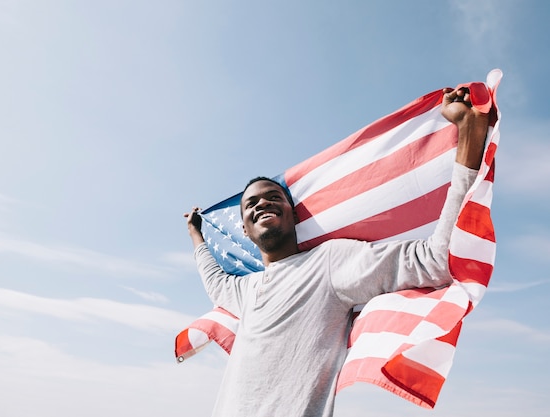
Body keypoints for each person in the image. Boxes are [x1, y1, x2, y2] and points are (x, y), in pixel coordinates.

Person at [184, 86, 489, 417]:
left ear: (293, 213)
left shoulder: (329, 262)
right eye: (251, 204)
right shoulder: (246, 291)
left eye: (274, 197)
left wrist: (469, 142)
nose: (262, 203)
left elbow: (435, 261)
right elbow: (214, 280)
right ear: (244, 227)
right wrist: (196, 234)